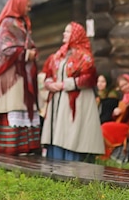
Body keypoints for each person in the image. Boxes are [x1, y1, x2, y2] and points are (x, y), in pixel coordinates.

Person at [40, 22, 104, 162]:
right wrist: (49, 83)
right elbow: (48, 72)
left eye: (67, 32)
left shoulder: (85, 56)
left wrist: (65, 84)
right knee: (58, 132)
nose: (64, 34)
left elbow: (89, 78)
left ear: (76, 35)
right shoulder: (59, 54)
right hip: (58, 100)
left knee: (72, 133)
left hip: (77, 100)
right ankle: (55, 162)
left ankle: (73, 164)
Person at [0, 0, 41, 155]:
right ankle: (12, 147)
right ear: (19, 4)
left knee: (24, 106)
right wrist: (26, 54)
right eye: (27, 5)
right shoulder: (8, 23)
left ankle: (27, 146)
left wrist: (32, 51)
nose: (29, 8)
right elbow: (6, 49)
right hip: (12, 74)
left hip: (25, 72)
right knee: (14, 106)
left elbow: (28, 43)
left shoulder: (24, 22)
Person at [100, 74, 129, 161]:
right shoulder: (126, 97)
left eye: (126, 84)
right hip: (127, 124)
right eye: (122, 86)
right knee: (106, 128)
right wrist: (116, 112)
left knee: (106, 127)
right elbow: (123, 116)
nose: (124, 87)